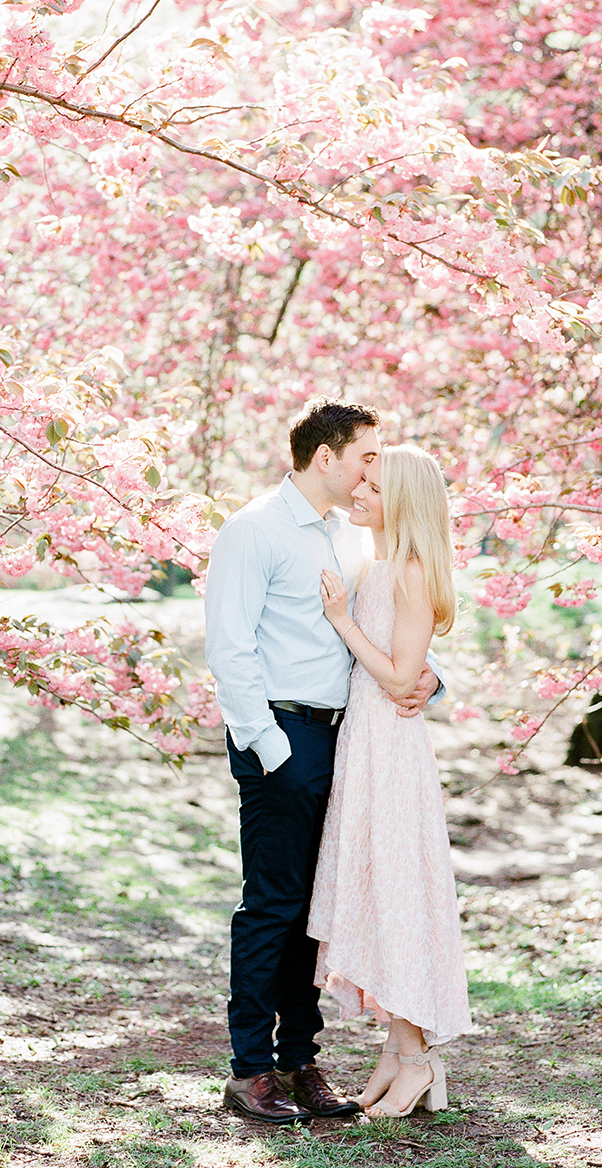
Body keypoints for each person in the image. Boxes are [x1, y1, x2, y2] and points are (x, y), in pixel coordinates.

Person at [203, 400, 441, 1125]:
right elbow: (228, 648)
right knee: (272, 905)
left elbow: (392, 629)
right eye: (368, 455)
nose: (377, 467)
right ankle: (251, 1071)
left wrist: (433, 678)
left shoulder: (352, 537)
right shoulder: (254, 531)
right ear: (326, 457)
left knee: (317, 907)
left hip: (349, 734)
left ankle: (301, 1061)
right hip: (282, 737)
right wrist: (274, 753)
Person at [309, 443, 473, 1114]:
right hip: (368, 742)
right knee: (379, 887)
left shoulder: (405, 571)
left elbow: (403, 676)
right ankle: (399, 1049)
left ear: (400, 501)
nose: (359, 494)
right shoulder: (383, 566)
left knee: (396, 888)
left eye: (372, 489)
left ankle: (416, 1058)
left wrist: (342, 620)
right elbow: (411, 667)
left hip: (390, 748)